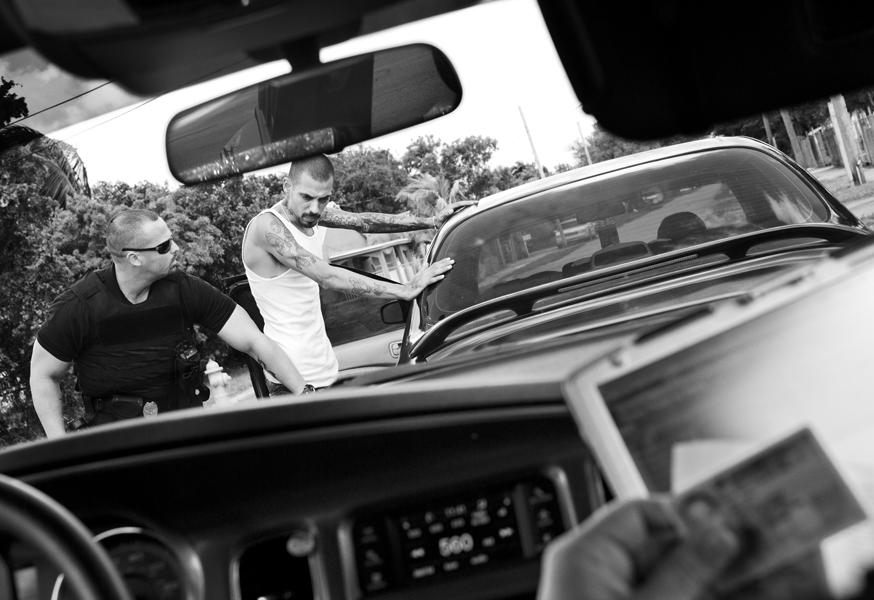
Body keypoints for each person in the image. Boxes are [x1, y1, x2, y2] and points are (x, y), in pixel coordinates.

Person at [30, 209, 308, 437]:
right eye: (164, 246)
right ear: (134, 258)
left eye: (172, 240)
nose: (176, 248)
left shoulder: (185, 289)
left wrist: (305, 393)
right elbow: (43, 374)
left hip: (185, 431)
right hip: (115, 443)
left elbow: (255, 341)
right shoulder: (79, 306)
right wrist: (61, 443)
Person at [241, 153, 462, 393]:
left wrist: (431, 220)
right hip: (291, 382)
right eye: (306, 197)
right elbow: (327, 276)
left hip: (325, 370)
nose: (315, 208)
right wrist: (404, 289)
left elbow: (364, 222)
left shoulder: (311, 216)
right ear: (287, 186)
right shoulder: (268, 227)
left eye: (323, 199)